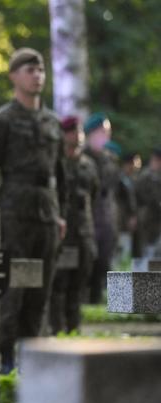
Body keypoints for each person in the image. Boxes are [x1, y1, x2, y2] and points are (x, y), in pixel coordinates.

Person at [0, 48, 66, 373]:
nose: (37, 76)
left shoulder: (52, 122)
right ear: (14, 76)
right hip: (12, 211)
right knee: (11, 287)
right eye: (29, 70)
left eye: (40, 70)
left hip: (46, 212)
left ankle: (33, 355)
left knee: (42, 289)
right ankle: (7, 358)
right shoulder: (2, 121)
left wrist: (61, 213)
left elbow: (60, 173)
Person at [49, 116, 99, 334]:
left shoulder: (89, 164)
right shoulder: (55, 161)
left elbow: (94, 195)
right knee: (58, 284)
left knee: (79, 285)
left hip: (84, 232)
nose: (77, 136)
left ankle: (74, 329)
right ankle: (57, 330)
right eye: (72, 131)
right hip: (62, 232)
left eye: (79, 131)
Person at [83, 112, 119, 303]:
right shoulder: (82, 157)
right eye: (103, 132)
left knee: (106, 258)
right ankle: (85, 300)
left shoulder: (110, 158)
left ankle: (103, 300)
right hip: (86, 216)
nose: (107, 136)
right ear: (92, 133)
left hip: (106, 216)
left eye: (108, 132)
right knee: (88, 260)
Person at [134, 148, 161, 257]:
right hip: (147, 221)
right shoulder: (145, 176)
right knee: (147, 254)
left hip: (156, 222)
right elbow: (140, 198)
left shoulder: (157, 176)